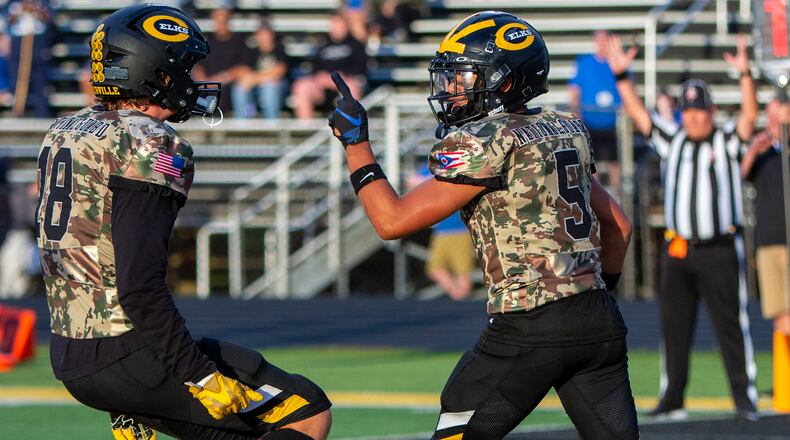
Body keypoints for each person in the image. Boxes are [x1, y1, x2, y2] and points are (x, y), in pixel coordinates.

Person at [329, 11, 638, 439]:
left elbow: (391, 220)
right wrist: (595, 298)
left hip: (528, 322)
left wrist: (356, 145)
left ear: (505, 81)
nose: (453, 89)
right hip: (598, 323)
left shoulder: (484, 140)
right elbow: (619, 226)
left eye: (466, 77)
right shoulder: (567, 128)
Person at [36, 5, 331, 439]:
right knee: (307, 412)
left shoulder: (66, 129)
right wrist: (199, 374)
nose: (191, 81)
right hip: (130, 349)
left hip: (70, 351)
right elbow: (138, 283)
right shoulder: (152, 141)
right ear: (154, 73)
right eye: (183, 69)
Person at [607, 33, 759, 420]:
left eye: (699, 110)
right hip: (678, 250)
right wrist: (622, 76)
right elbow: (641, 117)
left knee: (731, 326)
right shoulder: (671, 139)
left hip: (719, 248)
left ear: (710, 112)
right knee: (673, 327)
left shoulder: (726, 141)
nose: (693, 116)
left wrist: (745, 75)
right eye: (688, 110)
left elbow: (748, 120)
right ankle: (672, 396)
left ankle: (745, 398)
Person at [741, 98, 790, 409]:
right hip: (769, 242)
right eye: (771, 116)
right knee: (779, 316)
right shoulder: (763, 154)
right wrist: (755, 149)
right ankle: (783, 384)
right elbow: (741, 174)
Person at [407, 165, 475, 300]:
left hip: (459, 229)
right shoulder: (433, 167)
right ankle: (457, 296)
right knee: (435, 268)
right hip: (442, 230)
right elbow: (412, 182)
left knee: (463, 274)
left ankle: (461, 300)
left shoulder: (459, 166)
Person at [568, 30, 622, 194]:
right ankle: (596, 197)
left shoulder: (616, 63)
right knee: (593, 161)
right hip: (590, 121)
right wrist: (576, 112)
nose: (602, 45)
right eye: (600, 41)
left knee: (615, 161)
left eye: (605, 41)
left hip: (612, 122)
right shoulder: (585, 62)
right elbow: (574, 89)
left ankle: (618, 197)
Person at [291, 12, 367, 120]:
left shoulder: (355, 44)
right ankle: (306, 129)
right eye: (334, 24)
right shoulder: (323, 45)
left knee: (350, 86)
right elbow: (315, 69)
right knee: (302, 86)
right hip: (324, 85)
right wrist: (323, 78)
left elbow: (360, 69)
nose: (336, 28)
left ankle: (349, 131)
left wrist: (340, 78)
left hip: (346, 83)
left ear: (346, 25)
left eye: (339, 24)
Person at [193, 7, 256, 116]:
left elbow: (244, 68)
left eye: (224, 19)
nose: (221, 23)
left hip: (229, 86)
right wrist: (204, 81)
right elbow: (198, 66)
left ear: (229, 20)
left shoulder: (239, 42)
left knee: (237, 91)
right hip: (207, 86)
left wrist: (221, 79)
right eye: (218, 19)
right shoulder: (206, 42)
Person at [235, 20, 288, 119]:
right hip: (257, 86)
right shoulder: (252, 51)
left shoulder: (279, 49)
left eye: (267, 33)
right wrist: (251, 79)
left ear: (272, 34)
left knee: (270, 88)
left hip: (278, 86)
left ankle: (271, 126)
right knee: (240, 88)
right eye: (262, 33)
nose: (264, 36)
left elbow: (280, 70)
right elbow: (243, 70)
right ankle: (243, 124)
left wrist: (255, 78)